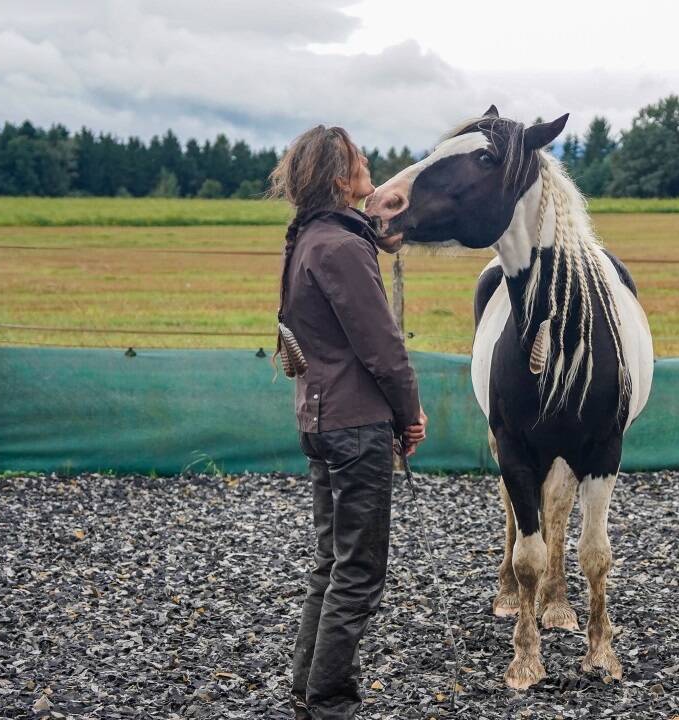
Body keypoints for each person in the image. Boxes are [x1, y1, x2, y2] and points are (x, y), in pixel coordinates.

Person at [270, 125, 427, 719]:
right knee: (357, 572)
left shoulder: (306, 240)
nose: (368, 164)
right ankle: (331, 702)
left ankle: (306, 689)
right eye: (360, 159)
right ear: (342, 179)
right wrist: (409, 415)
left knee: (330, 563)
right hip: (355, 425)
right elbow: (383, 348)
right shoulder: (341, 245)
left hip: (319, 418)